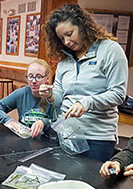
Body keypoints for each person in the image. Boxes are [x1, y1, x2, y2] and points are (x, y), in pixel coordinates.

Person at [39, 4, 128, 162]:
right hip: (66, 132)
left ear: (82, 26)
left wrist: (87, 102)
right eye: (61, 38)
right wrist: (50, 94)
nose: (66, 42)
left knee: (90, 184)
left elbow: (118, 94)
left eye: (69, 34)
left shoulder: (110, 50)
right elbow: (59, 98)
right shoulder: (64, 61)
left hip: (97, 136)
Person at [0, 59, 58, 138]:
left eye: (39, 77)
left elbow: (60, 122)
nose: (33, 81)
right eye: (30, 76)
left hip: (47, 140)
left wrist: (44, 122)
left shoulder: (53, 96)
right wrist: (9, 121)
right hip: (25, 138)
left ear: (47, 78)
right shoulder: (21, 93)